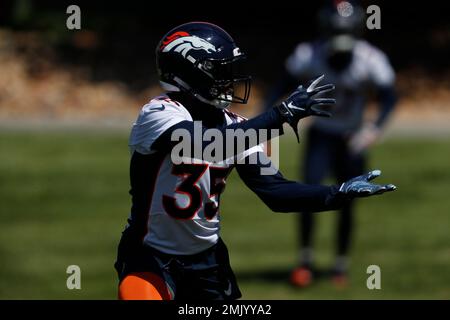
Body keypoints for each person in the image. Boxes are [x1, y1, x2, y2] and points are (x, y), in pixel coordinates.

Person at [114, 21, 396, 300]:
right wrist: (280, 116)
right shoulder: (158, 113)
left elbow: (277, 193)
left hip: (207, 260)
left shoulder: (237, 126)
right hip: (150, 254)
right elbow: (209, 145)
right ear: (188, 72)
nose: (229, 80)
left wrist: (337, 193)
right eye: (218, 71)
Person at [263, 1, 398, 287]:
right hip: (321, 134)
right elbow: (281, 84)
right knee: (308, 193)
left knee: (349, 198)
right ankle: (305, 260)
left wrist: (372, 130)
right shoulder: (308, 54)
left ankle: (340, 264)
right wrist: (265, 118)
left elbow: (389, 97)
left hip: (352, 138)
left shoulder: (370, 59)